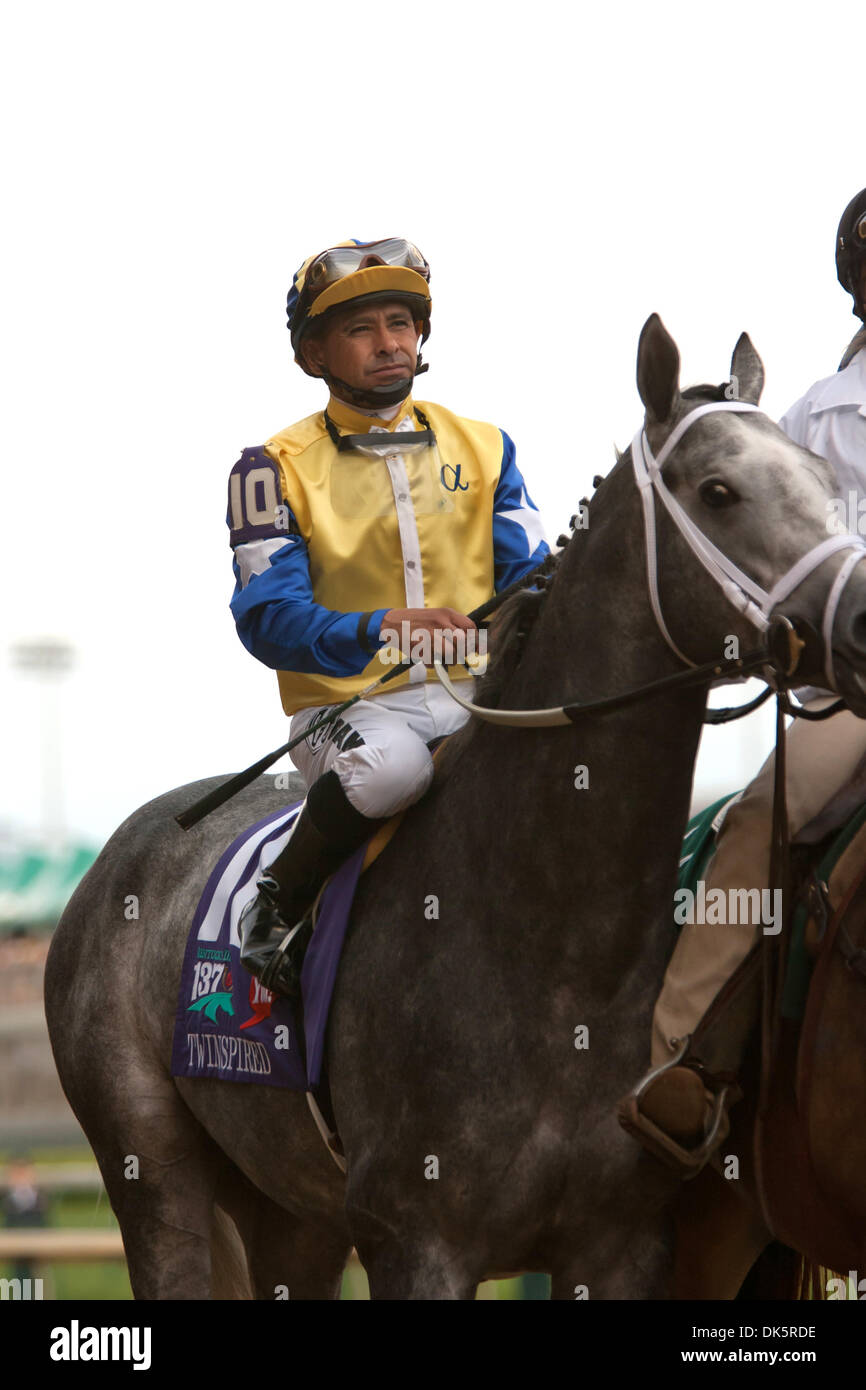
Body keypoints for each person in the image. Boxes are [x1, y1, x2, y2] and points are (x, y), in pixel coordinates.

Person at [228, 239, 549, 999]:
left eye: (401, 322)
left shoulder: (489, 448)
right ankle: (274, 901)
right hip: (347, 712)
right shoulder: (268, 467)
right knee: (393, 769)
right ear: (313, 354)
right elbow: (268, 619)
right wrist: (385, 628)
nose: (388, 343)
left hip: (480, 700)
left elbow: (532, 583)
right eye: (360, 328)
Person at [620, 187, 866, 1172]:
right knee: (761, 817)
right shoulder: (809, 416)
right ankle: (673, 1069)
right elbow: (777, 563)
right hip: (855, 692)